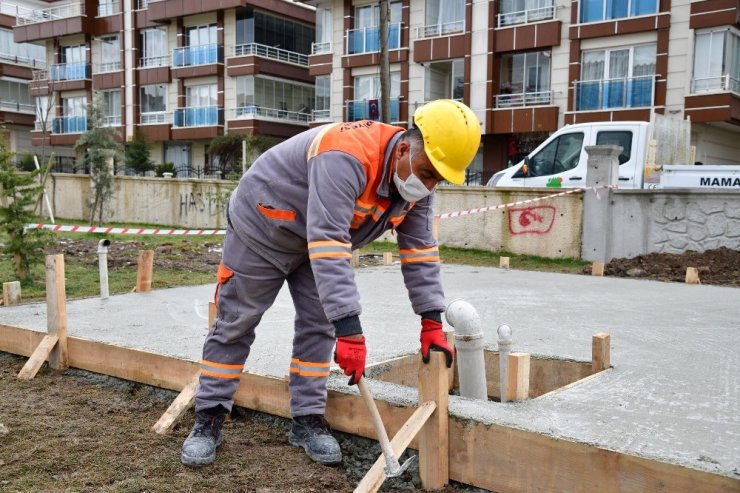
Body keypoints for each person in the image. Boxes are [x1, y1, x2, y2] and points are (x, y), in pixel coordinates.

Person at [180, 99, 482, 467]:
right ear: (403, 148)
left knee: (319, 324)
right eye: (427, 172)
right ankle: (209, 416)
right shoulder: (347, 155)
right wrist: (351, 331)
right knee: (237, 321)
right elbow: (329, 242)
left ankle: (307, 419)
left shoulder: (415, 185)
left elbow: (419, 250)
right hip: (263, 226)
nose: (429, 184)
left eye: (438, 178)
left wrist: (431, 320)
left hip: (316, 239)